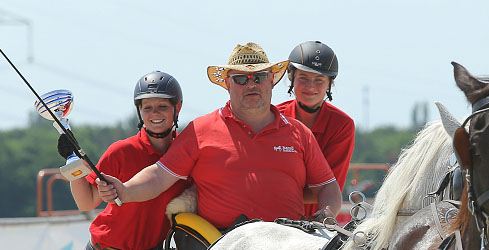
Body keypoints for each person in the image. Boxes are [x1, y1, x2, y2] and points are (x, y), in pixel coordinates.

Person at [96, 42, 342, 235]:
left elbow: (327, 186)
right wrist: (125, 190)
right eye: (241, 78)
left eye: (258, 77)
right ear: (227, 83)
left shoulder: (299, 133)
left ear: (272, 80)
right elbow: (160, 175)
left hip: (288, 242)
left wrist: (327, 213)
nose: (251, 84)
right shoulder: (200, 130)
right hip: (222, 249)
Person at [66, 71, 186, 250]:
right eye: (147, 107)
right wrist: (72, 166)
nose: (154, 114)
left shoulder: (187, 152)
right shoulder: (121, 151)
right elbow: (87, 201)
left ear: (177, 108)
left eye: (162, 107)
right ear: (139, 112)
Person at [277, 40, 355, 219]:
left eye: (319, 80)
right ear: (291, 78)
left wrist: (274, 191)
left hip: (317, 223)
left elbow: (329, 188)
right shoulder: (273, 118)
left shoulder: (342, 125)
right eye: (303, 78)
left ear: (329, 84)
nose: (310, 86)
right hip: (275, 220)